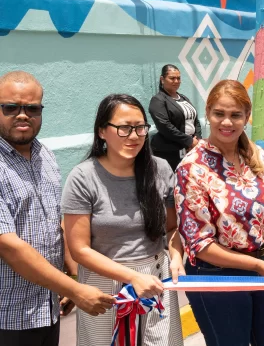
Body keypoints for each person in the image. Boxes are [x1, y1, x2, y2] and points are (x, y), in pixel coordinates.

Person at [176, 80, 264, 346]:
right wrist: (258, 265)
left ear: (247, 116)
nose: (227, 122)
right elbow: (198, 244)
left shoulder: (259, 156)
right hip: (216, 274)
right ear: (207, 113)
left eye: (235, 115)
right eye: (219, 113)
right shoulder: (191, 168)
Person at [0, 71, 115, 346]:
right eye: (10, 107)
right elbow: (9, 247)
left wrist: (72, 273)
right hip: (8, 315)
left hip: (48, 308)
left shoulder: (46, 156)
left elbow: (56, 223)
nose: (22, 115)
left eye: (32, 108)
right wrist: (75, 289)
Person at [63, 94, 184, 345]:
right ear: (102, 132)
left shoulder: (160, 169)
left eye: (140, 127)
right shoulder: (83, 177)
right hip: (103, 283)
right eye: (124, 128)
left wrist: (176, 256)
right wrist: (132, 277)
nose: (134, 135)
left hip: (155, 277)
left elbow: (171, 229)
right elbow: (79, 249)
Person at [149, 64, 202, 170]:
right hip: (170, 152)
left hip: (190, 148)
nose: (176, 81)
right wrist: (188, 141)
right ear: (162, 79)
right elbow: (164, 126)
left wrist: (197, 138)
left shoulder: (183, 98)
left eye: (178, 78)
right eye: (172, 78)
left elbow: (195, 120)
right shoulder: (158, 100)